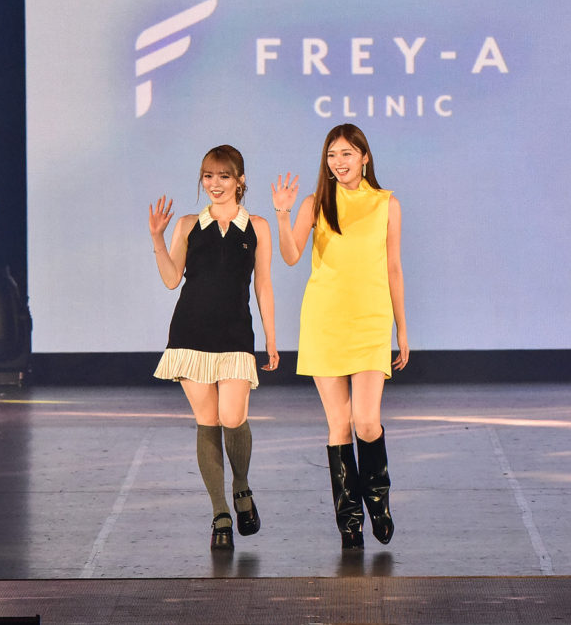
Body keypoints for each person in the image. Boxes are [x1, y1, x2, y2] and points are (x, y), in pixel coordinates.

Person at [271, 123, 408, 549]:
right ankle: (349, 519)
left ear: (365, 156)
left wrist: (402, 329)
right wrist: (283, 214)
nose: (339, 162)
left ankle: (378, 502)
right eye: (332, 155)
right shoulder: (316, 202)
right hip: (325, 320)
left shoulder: (387, 204)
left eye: (347, 153)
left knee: (366, 421)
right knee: (338, 424)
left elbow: (393, 268)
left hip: (370, 320)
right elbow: (291, 255)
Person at [150, 144, 278, 551]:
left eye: (223, 176)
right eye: (208, 176)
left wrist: (271, 338)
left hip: (236, 335)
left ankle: (241, 486)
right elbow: (172, 279)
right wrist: (157, 237)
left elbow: (263, 285)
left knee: (232, 416)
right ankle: (220, 512)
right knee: (207, 422)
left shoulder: (257, 226)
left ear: (240, 180)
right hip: (191, 334)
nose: (215, 183)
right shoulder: (189, 224)